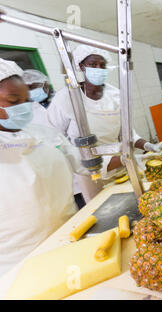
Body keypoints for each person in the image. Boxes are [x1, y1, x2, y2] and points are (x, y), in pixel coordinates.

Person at [0, 58, 122, 276]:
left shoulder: (45, 135)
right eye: (13, 100)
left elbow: (87, 164)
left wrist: (127, 158)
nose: (24, 107)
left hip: (69, 238)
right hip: (18, 264)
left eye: (27, 100)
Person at [47, 45, 162, 206]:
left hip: (121, 163)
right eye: (93, 64)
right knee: (103, 209)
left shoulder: (115, 95)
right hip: (89, 171)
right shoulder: (66, 98)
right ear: (81, 66)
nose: (99, 69)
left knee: (131, 203)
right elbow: (55, 139)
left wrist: (148, 145)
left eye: (102, 65)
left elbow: (127, 132)